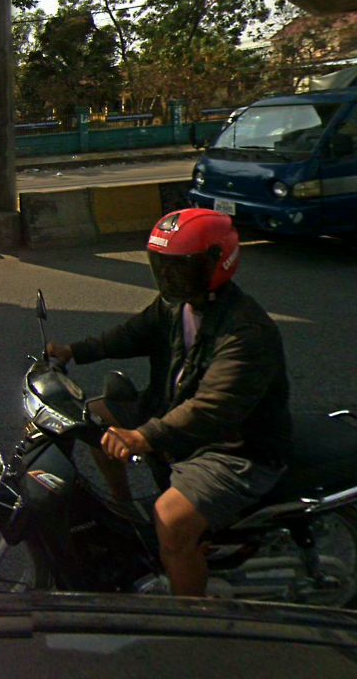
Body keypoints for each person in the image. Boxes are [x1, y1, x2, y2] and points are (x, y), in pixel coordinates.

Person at [47, 208, 291, 598]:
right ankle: (125, 508)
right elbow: (131, 334)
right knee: (96, 416)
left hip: (233, 448)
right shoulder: (177, 305)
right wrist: (75, 351)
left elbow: (212, 408)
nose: (169, 277)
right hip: (176, 416)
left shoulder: (246, 332)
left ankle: (189, 617)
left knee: (171, 520)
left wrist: (143, 436)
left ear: (217, 262)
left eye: (180, 268)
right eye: (163, 267)